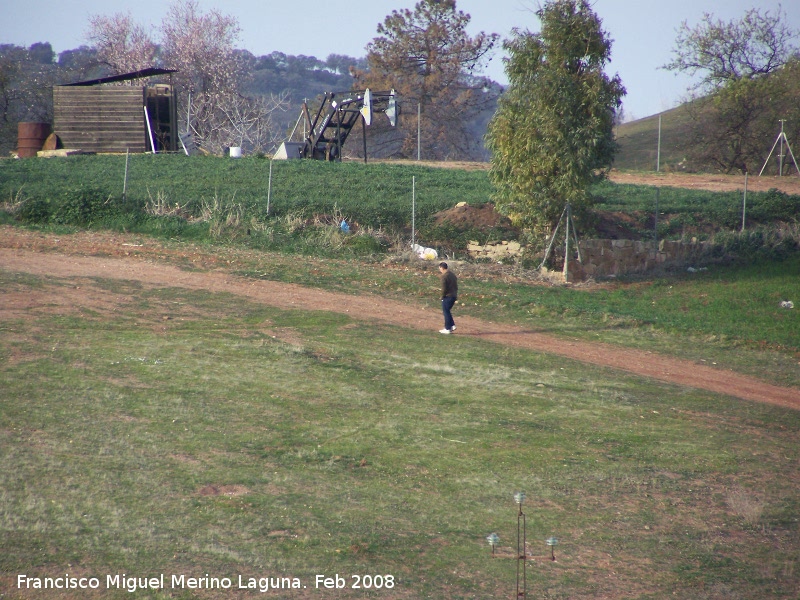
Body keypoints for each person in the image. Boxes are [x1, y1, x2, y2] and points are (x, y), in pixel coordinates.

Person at [438, 262, 458, 334]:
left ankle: (447, 328)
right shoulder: (452, 275)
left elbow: (444, 288)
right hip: (454, 295)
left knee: (445, 312)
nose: (439, 270)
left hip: (448, 296)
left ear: (442, 268)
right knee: (447, 311)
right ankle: (452, 325)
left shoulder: (444, 276)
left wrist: (442, 296)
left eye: (440, 268)